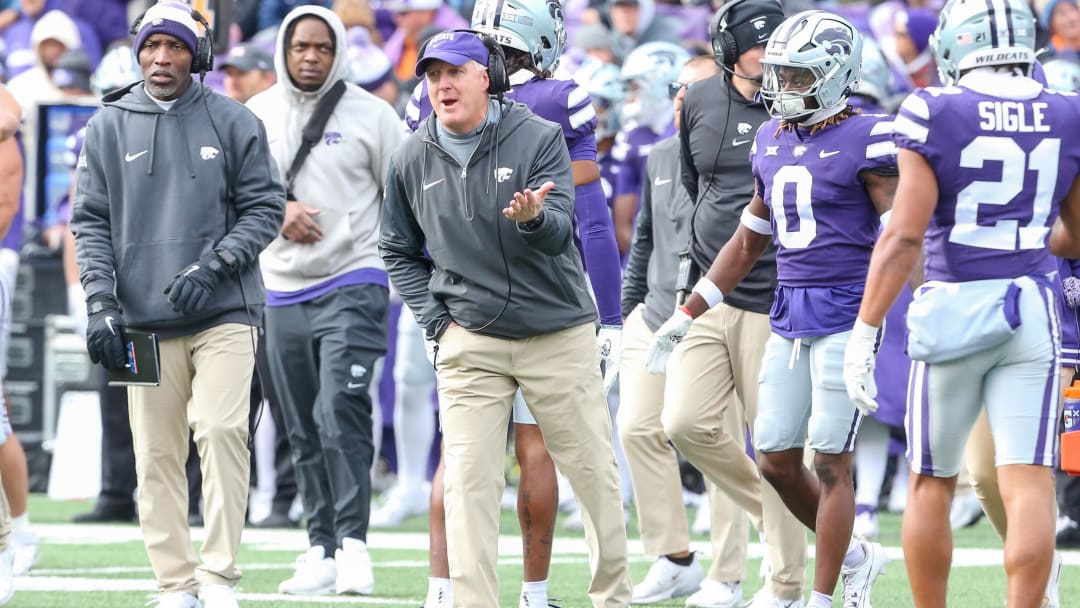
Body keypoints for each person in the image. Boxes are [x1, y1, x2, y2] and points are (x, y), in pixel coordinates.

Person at [379, 29, 632, 608]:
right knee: (468, 484)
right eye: (432, 74)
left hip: (556, 330)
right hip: (470, 339)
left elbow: (563, 229)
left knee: (593, 476)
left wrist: (534, 220)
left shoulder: (539, 136)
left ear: (485, 77)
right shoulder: (411, 155)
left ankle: (613, 598)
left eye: (454, 72)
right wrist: (435, 320)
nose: (441, 85)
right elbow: (394, 248)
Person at [842, 0, 1080, 605]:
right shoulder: (1066, 111)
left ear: (955, 43)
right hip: (1030, 306)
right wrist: (1024, 233)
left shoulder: (932, 108)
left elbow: (903, 235)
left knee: (931, 480)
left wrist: (866, 330)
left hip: (953, 305)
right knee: (1027, 481)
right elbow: (1075, 235)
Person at [653, 11, 893, 608]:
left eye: (799, 76)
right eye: (780, 74)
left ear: (837, 77)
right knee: (777, 459)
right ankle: (858, 553)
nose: (783, 87)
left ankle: (820, 594)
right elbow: (746, 242)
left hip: (846, 313)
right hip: (787, 315)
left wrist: (882, 319)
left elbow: (899, 236)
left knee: (832, 460)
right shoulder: (771, 138)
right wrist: (688, 313)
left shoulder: (872, 136)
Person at [71, 2, 286, 607]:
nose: (161, 59)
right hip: (139, 320)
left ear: (200, 57)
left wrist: (215, 264)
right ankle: (174, 585)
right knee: (155, 455)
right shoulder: (106, 124)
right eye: (151, 47)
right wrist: (99, 304)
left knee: (220, 431)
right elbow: (88, 221)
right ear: (138, 51)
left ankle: (218, 579)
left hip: (226, 311)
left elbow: (266, 209)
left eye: (176, 48)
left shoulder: (235, 120)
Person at [247, 4, 404, 596]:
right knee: (300, 426)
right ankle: (321, 548)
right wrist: (276, 212)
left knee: (341, 407)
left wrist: (402, 276)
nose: (310, 57)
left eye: (321, 47)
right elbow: (234, 203)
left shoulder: (374, 115)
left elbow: (404, 197)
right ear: (283, 53)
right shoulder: (254, 114)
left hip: (355, 277)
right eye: (299, 47)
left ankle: (355, 545)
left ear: (339, 50)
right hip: (280, 288)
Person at [668, 0, 810, 605]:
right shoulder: (697, 102)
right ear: (728, 50)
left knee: (773, 440)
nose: (769, 56)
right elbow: (695, 187)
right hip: (708, 289)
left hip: (773, 292)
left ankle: (784, 584)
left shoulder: (798, 100)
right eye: (758, 45)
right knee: (683, 422)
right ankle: (805, 520)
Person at [619, 53, 753, 607]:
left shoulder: (743, 157)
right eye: (678, 90)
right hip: (653, 312)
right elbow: (645, 238)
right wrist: (626, 311)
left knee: (712, 439)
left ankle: (727, 574)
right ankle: (675, 557)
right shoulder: (657, 156)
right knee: (635, 428)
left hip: (713, 314)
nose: (681, 99)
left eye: (694, 91)